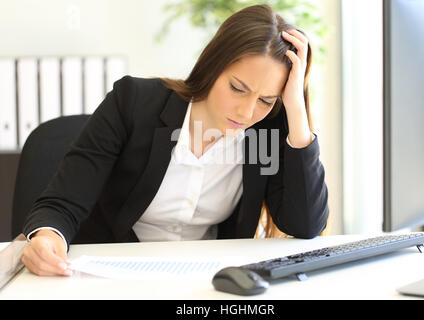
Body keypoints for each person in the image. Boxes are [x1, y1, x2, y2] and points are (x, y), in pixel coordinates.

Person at [21, 4, 329, 277]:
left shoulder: (266, 133)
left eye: (265, 99)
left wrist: (296, 113)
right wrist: (47, 238)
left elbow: (305, 225)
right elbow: (63, 201)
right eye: (238, 88)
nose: (247, 112)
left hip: (205, 282)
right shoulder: (132, 103)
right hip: (111, 277)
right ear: (212, 66)